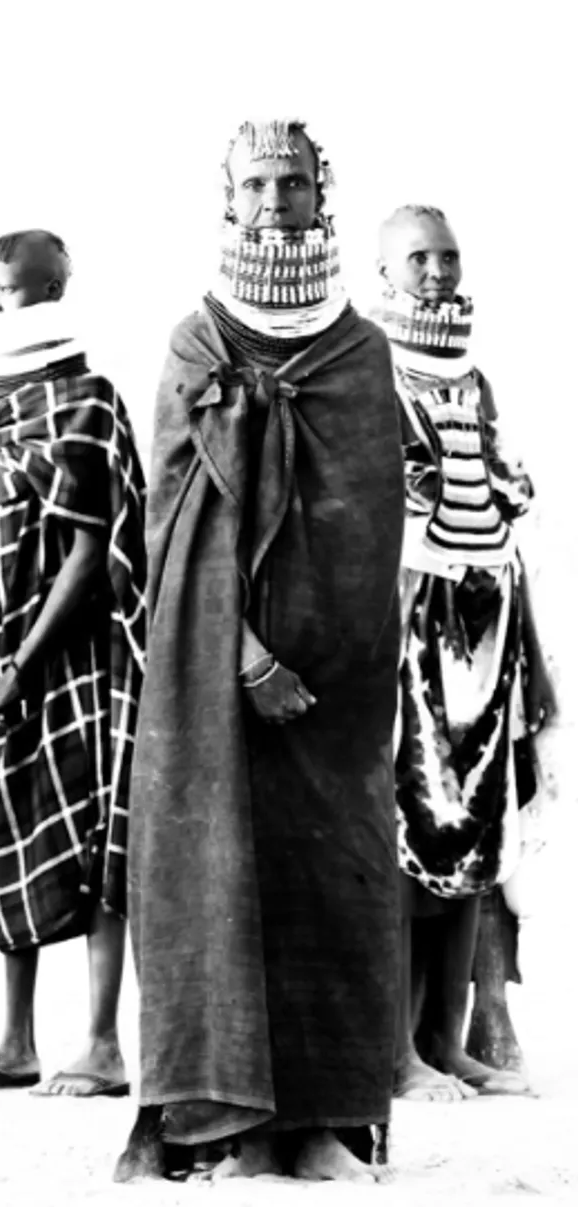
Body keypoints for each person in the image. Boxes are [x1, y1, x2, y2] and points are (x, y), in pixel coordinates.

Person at [114, 119, 405, 1184]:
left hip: (337, 692)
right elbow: (172, 530)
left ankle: (324, 1121)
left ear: (321, 197)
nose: (274, 200)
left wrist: (320, 666)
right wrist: (241, 657)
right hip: (217, 684)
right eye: (255, 184)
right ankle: (223, 1129)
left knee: (333, 878)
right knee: (212, 876)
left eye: (292, 182)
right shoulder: (197, 344)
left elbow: (370, 528)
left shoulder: (360, 351)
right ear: (224, 202)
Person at [0, 230, 147, 1099]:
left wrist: (19, 668)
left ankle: (100, 1043)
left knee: (96, 840)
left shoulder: (88, 401)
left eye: (11, 290)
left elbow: (92, 554)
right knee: (8, 827)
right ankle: (15, 1040)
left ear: (55, 289)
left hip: (73, 660)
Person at [372, 205, 557, 1102]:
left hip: (487, 619)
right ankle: (400, 1051)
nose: (437, 273)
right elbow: (392, 514)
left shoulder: (472, 379)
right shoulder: (379, 371)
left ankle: (448, 1042)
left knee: (474, 836)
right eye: (418, 259)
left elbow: (510, 488)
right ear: (384, 275)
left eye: (447, 257)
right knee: (414, 831)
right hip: (412, 623)